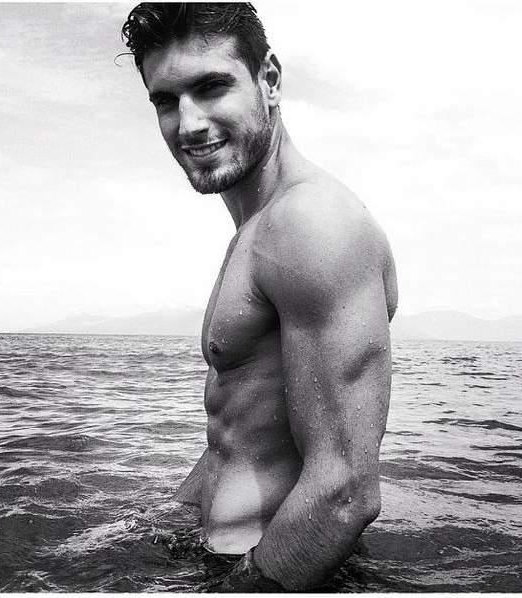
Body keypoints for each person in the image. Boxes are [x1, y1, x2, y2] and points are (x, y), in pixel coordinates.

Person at [122, 3, 398, 591]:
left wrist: (233, 590)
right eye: (165, 101)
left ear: (268, 79)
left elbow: (344, 491)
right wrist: (166, 522)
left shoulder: (311, 224)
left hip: (279, 571)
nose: (188, 124)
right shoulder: (260, 228)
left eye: (211, 87)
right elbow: (243, 428)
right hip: (231, 561)